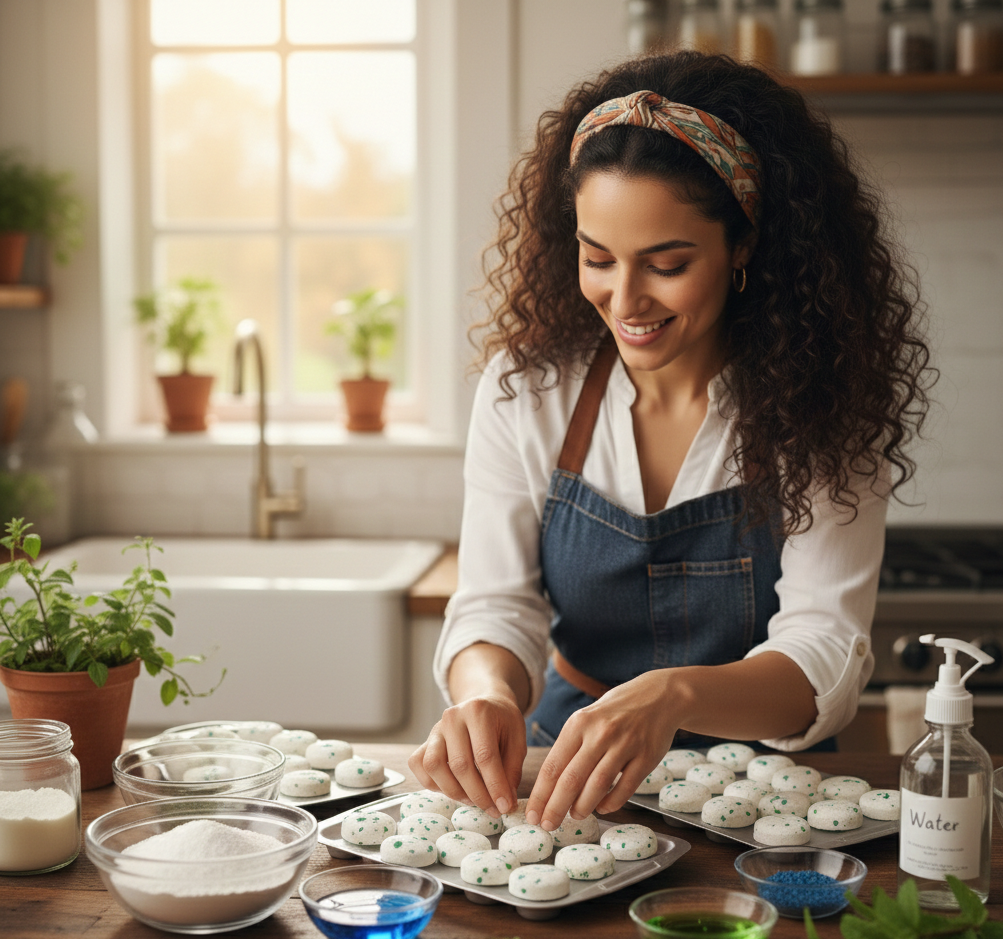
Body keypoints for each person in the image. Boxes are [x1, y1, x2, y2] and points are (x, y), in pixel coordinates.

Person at [408, 51, 933, 834]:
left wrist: (674, 693)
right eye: (597, 258)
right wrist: (483, 692)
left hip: (772, 796)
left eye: (667, 263)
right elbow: (495, 603)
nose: (624, 301)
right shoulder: (529, 386)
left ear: (743, 246)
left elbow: (824, 645)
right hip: (565, 776)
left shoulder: (821, 401)